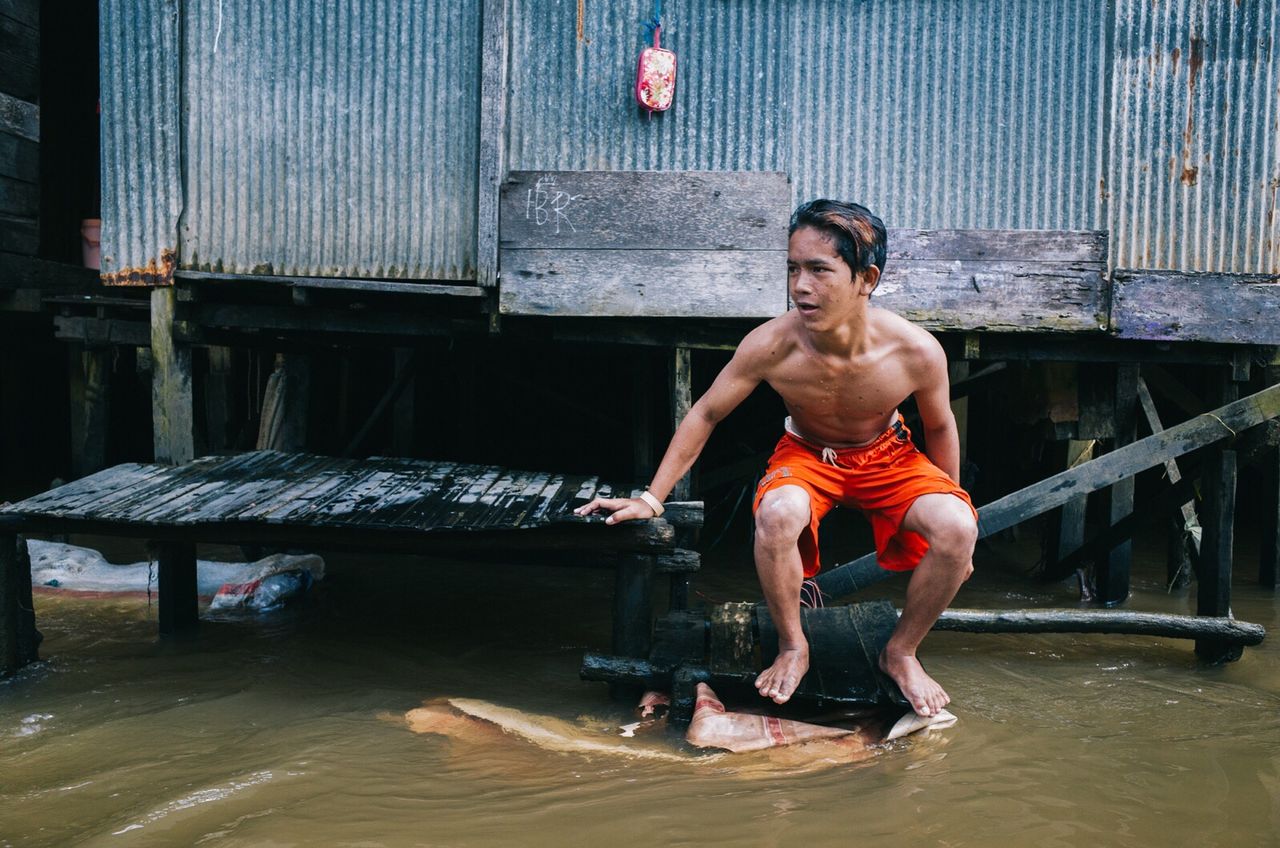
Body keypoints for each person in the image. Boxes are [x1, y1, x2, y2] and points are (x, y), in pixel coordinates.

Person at [575, 200, 977, 717]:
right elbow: (705, 414)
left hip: (889, 456)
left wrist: (955, 509)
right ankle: (794, 645)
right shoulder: (770, 345)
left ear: (866, 279)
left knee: (959, 527)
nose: (800, 285)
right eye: (792, 268)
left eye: (818, 270)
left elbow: (941, 425)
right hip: (807, 455)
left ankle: (900, 652)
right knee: (777, 512)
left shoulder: (915, 351)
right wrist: (653, 499)